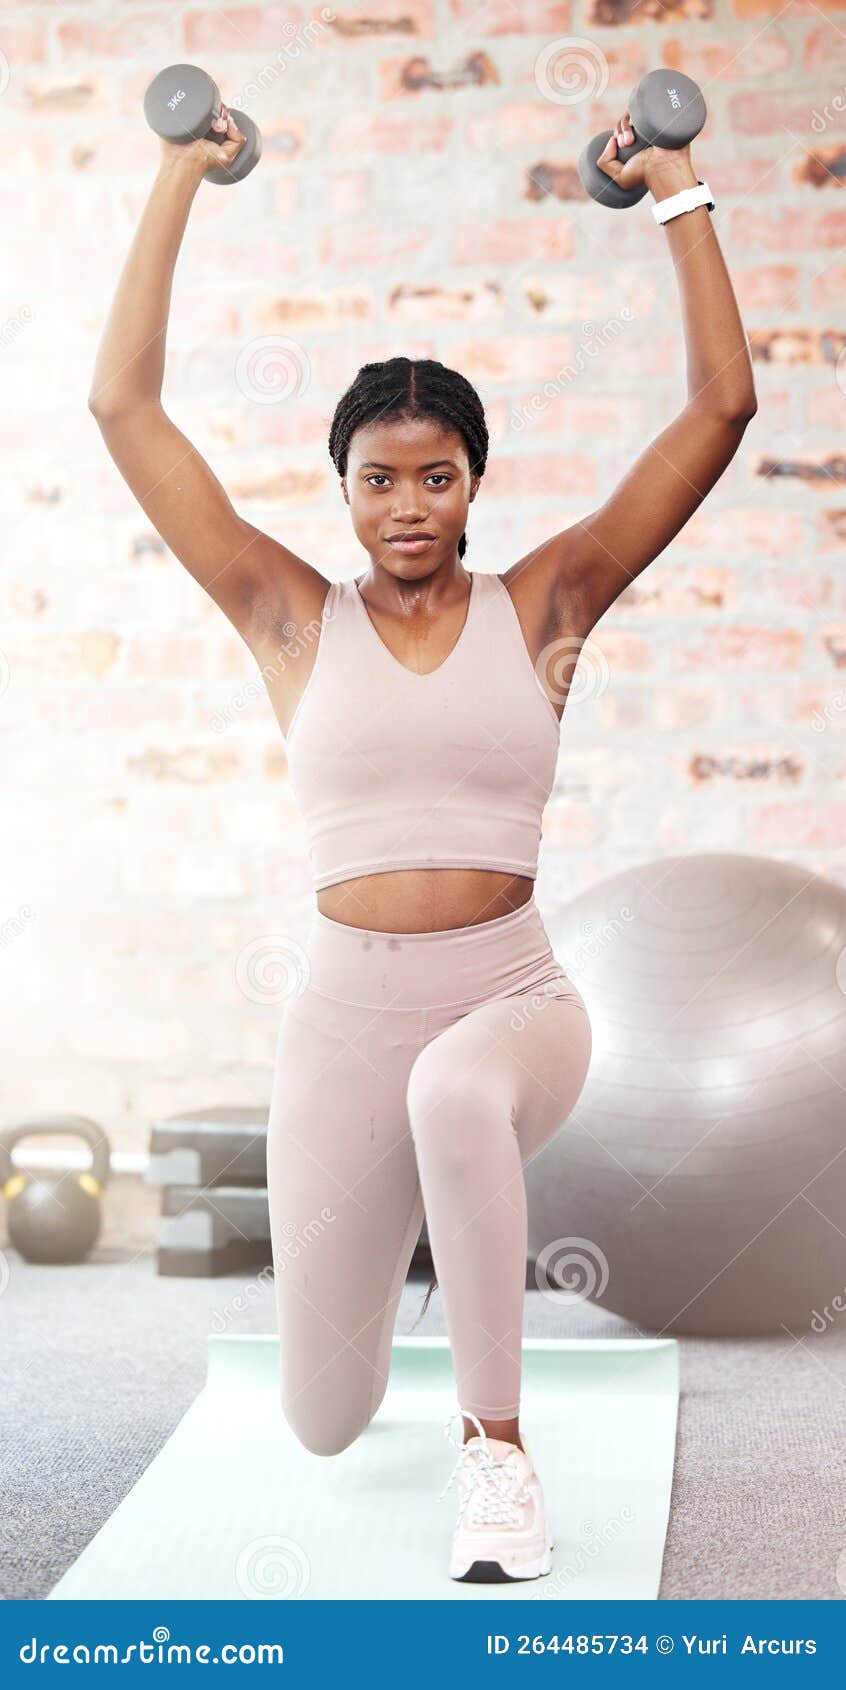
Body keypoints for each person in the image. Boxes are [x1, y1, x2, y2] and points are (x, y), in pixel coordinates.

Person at [88, 101, 757, 1584]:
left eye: (436, 473)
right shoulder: (281, 613)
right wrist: (178, 172)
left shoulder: (547, 602)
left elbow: (718, 411)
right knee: (322, 1416)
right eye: (379, 477)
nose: (408, 503)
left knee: (459, 1094)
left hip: (508, 997)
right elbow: (124, 412)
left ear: (474, 479)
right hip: (340, 1012)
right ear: (342, 488)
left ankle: (495, 1451)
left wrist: (675, 186)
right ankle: (402, 1328)